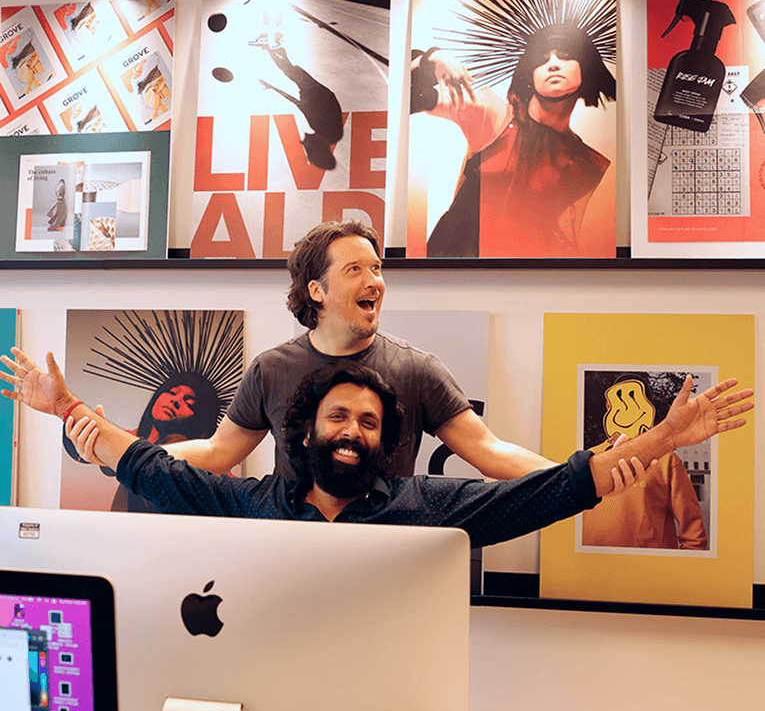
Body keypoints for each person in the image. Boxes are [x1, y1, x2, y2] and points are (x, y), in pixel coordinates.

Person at [0, 353, 753, 546]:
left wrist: (662, 438)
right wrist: (63, 407)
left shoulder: (426, 508)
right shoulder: (246, 503)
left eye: (367, 422)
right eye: (338, 418)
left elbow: (551, 490)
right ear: (305, 431)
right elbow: (149, 467)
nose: (353, 432)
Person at [157, 219, 563, 483]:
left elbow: (488, 451)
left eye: (377, 268)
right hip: (292, 560)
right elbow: (216, 451)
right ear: (317, 290)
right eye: (355, 270)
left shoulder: (417, 369)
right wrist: (130, 454)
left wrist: (581, 475)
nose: (375, 282)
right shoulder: (271, 369)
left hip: (383, 564)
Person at [411, 24, 615, 258]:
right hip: (449, 264)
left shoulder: (586, 164)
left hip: (519, 276)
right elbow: (410, 94)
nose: (553, 64)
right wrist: (434, 58)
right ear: (529, 73)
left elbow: (565, 238)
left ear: (586, 67)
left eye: (566, 55)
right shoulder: (492, 113)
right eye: (541, 59)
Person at [64, 371, 222, 513]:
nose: (176, 401)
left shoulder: (200, 464)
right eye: (173, 392)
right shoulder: (127, 439)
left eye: (189, 404)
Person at [581, 374, 708, 550]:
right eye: (619, 398)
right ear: (608, 405)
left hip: (651, 570)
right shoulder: (589, 458)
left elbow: (693, 529)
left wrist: (689, 569)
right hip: (589, 568)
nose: (627, 405)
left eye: (634, 396)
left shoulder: (667, 459)